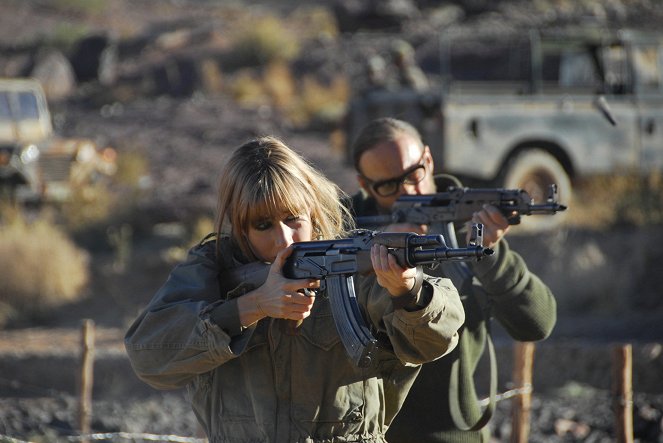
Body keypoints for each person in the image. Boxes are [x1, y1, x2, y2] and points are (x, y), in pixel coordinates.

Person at [124, 136, 466, 442]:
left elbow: (437, 337)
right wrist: (252, 306)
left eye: (293, 219)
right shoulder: (212, 269)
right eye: (263, 225)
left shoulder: (351, 263)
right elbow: (148, 356)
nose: (284, 239)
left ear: (313, 211)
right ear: (238, 226)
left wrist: (408, 292)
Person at [349, 118, 557, 442]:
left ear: (428, 160)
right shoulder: (346, 231)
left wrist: (492, 252)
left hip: (453, 433)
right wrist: (380, 251)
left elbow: (537, 324)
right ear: (365, 184)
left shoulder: (466, 224)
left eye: (413, 174)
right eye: (388, 186)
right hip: (367, 432)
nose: (407, 191)